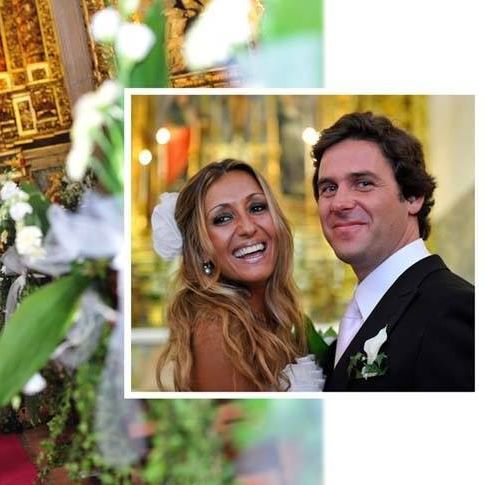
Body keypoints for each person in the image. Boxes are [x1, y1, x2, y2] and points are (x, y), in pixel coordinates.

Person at [312, 112, 474, 391]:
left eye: (363, 183)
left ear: (413, 196)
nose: (339, 203)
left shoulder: (453, 309)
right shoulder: (359, 317)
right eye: (328, 188)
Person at [152, 159, 323, 391]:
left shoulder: (270, 316)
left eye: (257, 208)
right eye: (223, 218)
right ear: (200, 249)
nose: (248, 228)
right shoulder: (220, 333)